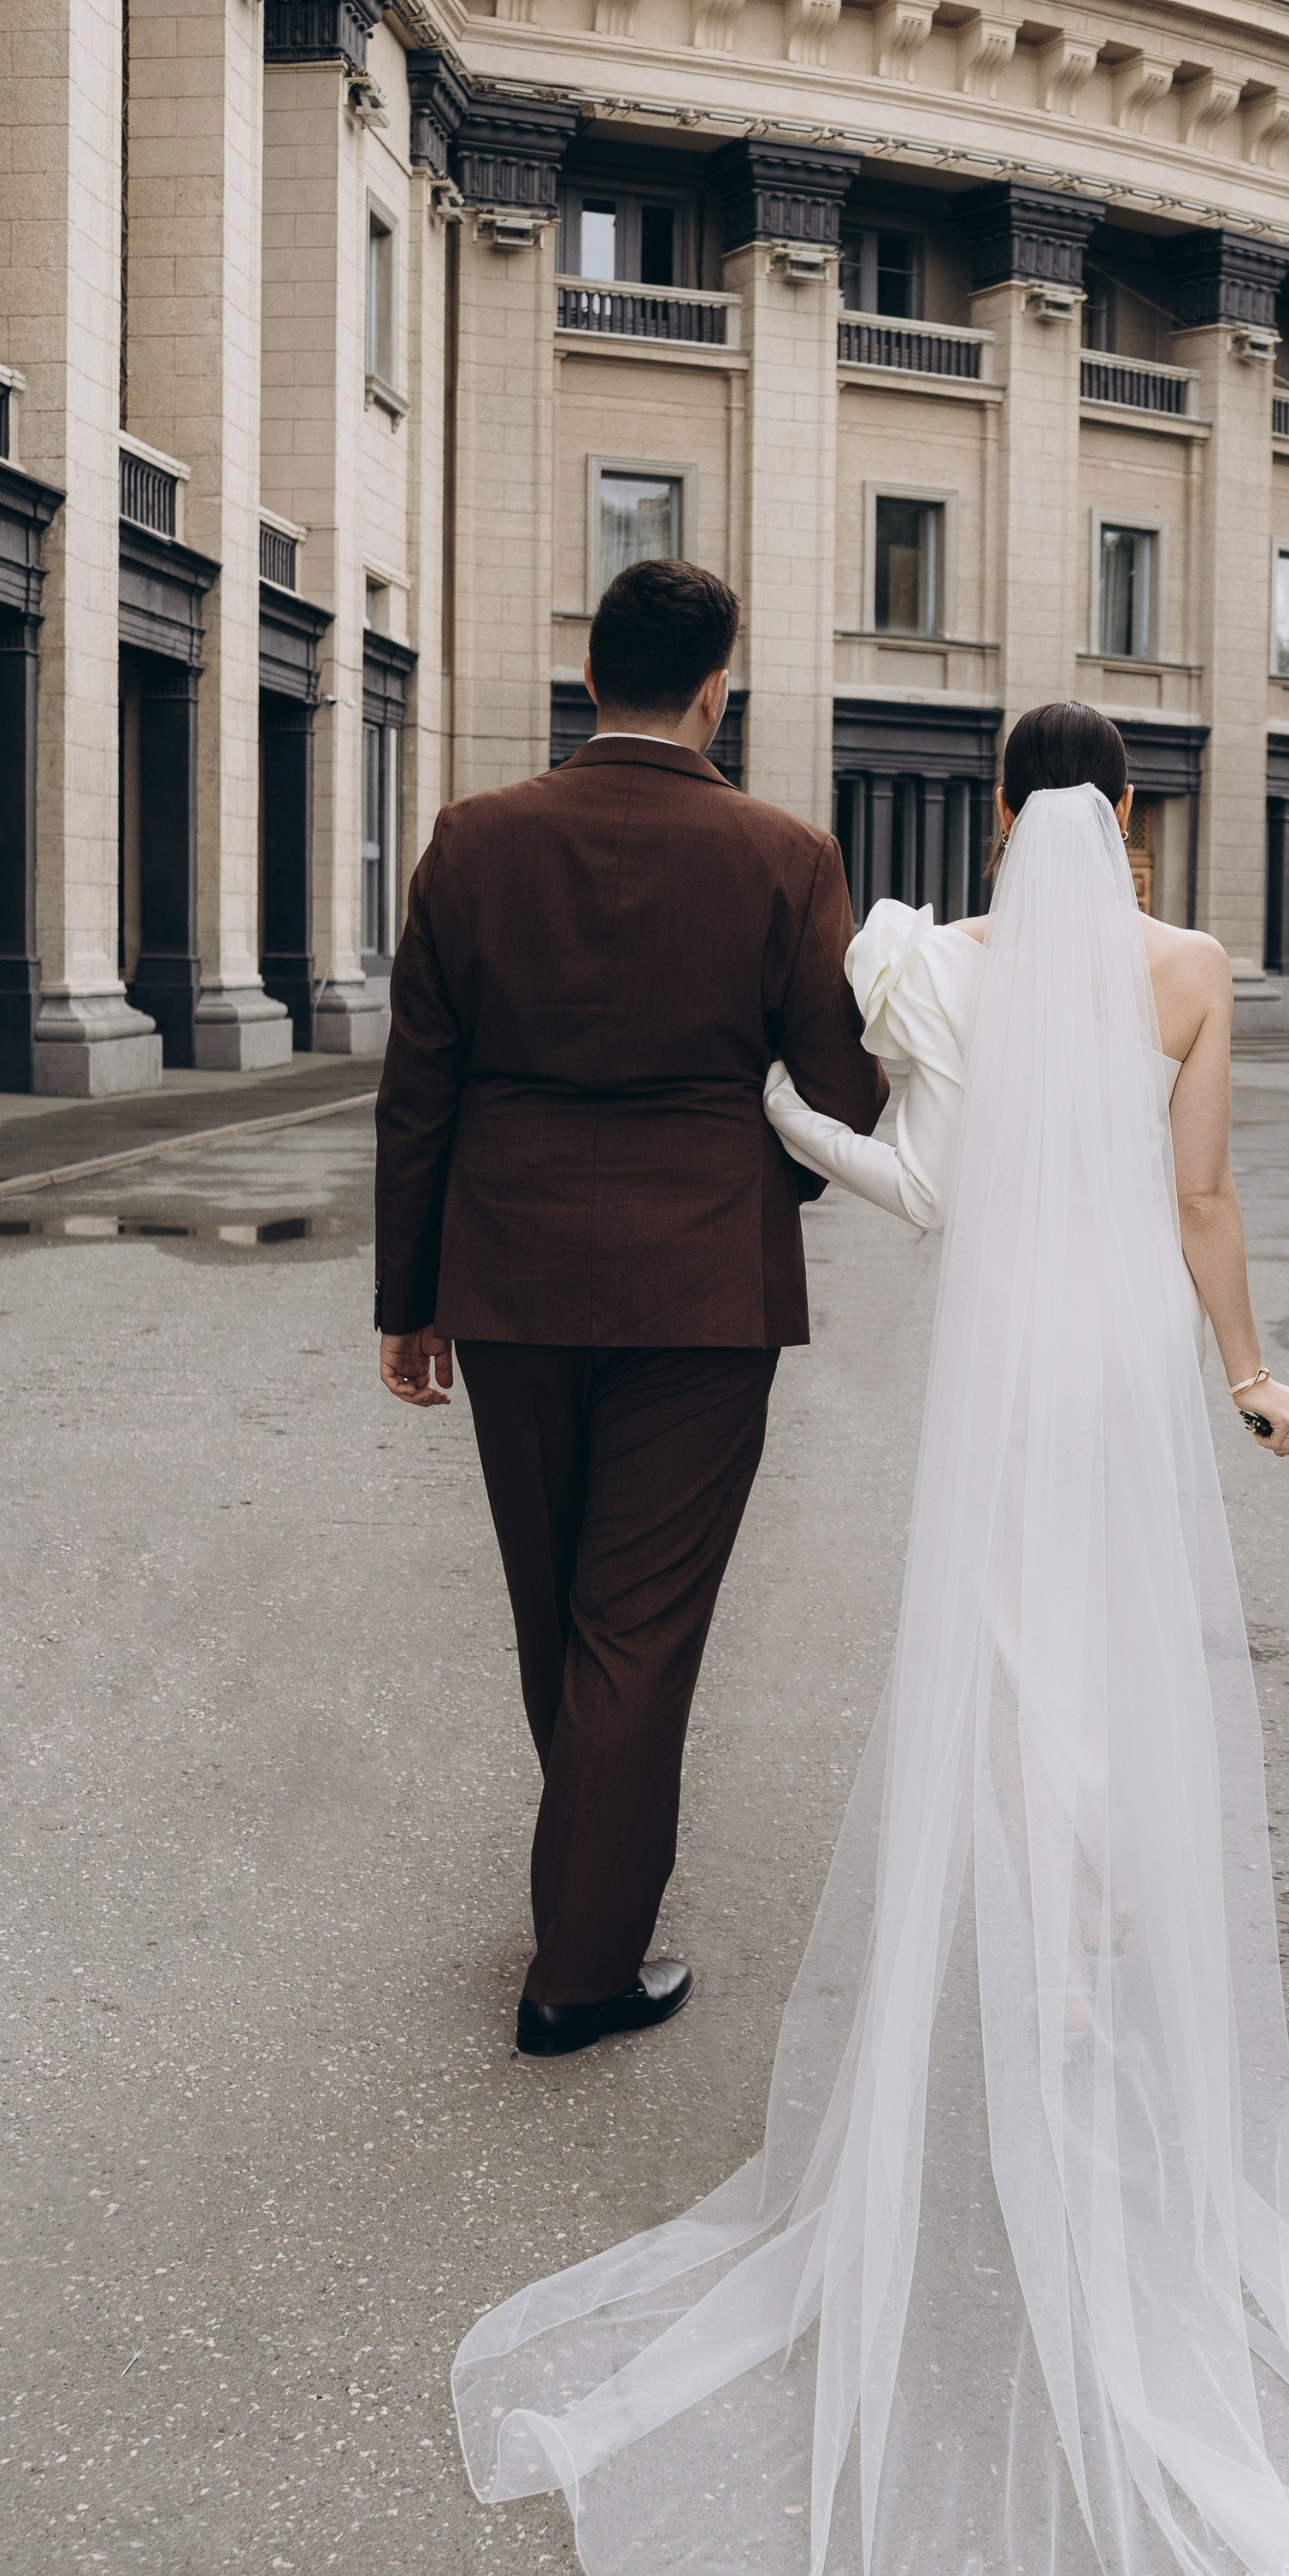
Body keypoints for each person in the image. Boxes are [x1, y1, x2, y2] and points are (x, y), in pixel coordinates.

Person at [452, 702, 1289, 2576]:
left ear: (993, 811)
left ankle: (1030, 1932)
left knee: (993, 1639)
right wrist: (1255, 1380)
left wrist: (778, 1127)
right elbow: (1200, 1208)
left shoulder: (918, 960)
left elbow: (908, 1179)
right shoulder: (1185, 973)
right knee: (1123, 1634)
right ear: (1131, 816)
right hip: (1125, 1365)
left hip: (995, 1369)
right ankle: (1092, 1942)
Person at [374, 560, 886, 2058]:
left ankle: (584, 1897)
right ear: (717, 688)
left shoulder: (472, 841)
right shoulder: (788, 854)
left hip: (511, 1276)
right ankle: (579, 1968)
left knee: (561, 1614)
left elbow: (420, 1093)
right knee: (640, 1628)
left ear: (588, 677)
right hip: (703, 1293)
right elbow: (837, 1093)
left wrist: (413, 1301)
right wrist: (740, 1193)